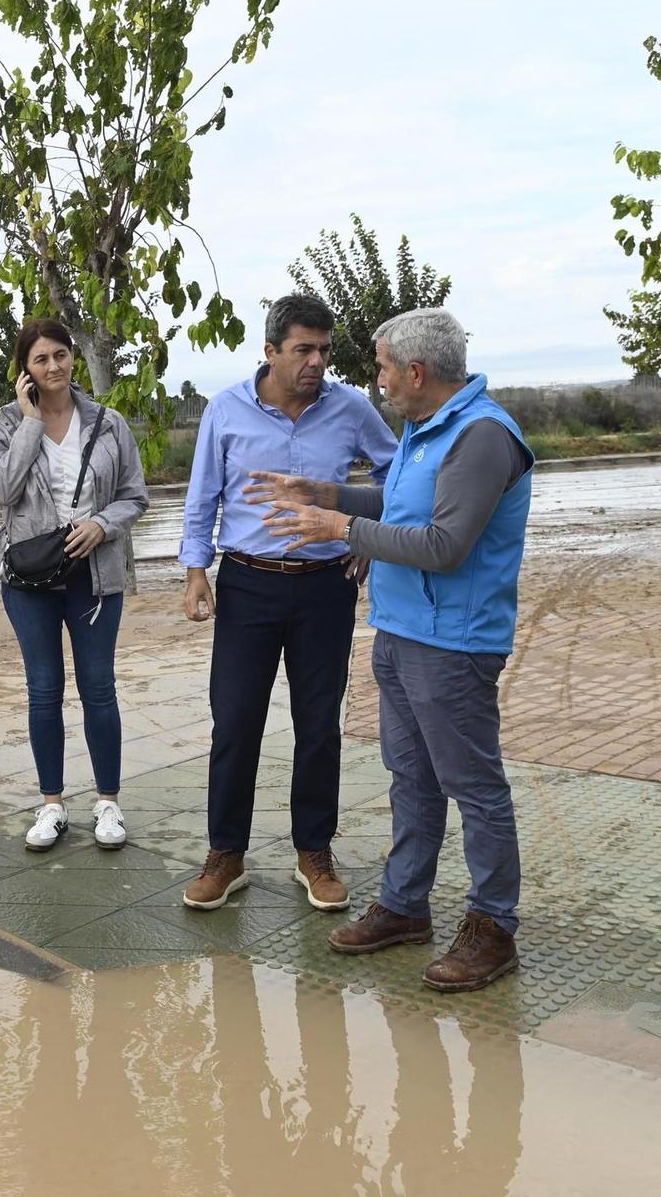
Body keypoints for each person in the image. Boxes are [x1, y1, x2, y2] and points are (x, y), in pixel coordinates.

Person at [256, 307, 533, 992]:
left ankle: (492, 926)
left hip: (454, 644)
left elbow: (443, 546)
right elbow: (402, 506)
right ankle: (406, 906)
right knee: (411, 779)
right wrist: (331, 493)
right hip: (403, 633)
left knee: (475, 787)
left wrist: (338, 525)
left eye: (381, 367)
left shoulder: (482, 436)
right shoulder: (429, 429)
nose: (375, 380)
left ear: (416, 371)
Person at [177, 294, 397, 912]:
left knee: (319, 726)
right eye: (303, 349)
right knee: (236, 721)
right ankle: (226, 855)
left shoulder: (351, 407)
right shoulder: (226, 411)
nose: (316, 362)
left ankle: (314, 853)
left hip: (327, 587)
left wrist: (366, 538)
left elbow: (400, 477)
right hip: (247, 583)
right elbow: (203, 498)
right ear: (270, 351)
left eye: (324, 349)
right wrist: (197, 572)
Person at [0, 319, 149, 852]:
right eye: (40, 360)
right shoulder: (6, 422)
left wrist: (103, 524)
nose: (53, 367)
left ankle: (108, 804)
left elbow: (134, 495)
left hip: (95, 572)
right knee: (43, 690)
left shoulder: (108, 422)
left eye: (60, 356)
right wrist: (30, 423)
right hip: (28, 576)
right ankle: (51, 805)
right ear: (24, 370)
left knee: (99, 688)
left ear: (72, 357)